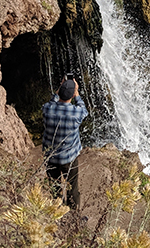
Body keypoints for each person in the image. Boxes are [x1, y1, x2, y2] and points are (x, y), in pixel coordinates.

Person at [42, 76, 88, 209]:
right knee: (72, 187)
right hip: (69, 159)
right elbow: (83, 108)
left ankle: (57, 214)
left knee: (55, 187)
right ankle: (73, 216)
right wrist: (77, 94)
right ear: (73, 95)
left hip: (50, 157)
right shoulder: (76, 113)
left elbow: (52, 102)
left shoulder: (47, 109)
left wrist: (59, 90)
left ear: (59, 92)